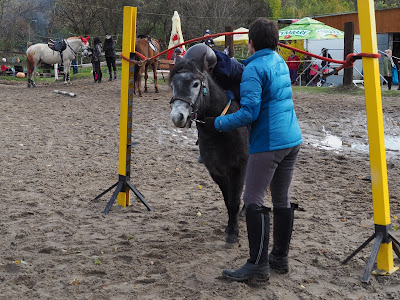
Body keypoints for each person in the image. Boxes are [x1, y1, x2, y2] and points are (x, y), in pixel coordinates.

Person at [203, 17, 302, 282]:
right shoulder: (278, 60)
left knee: (253, 200)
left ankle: (257, 265)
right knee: (280, 197)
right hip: (292, 138)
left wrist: (219, 122)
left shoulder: (253, 70)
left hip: (269, 142)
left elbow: (249, 112)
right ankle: (279, 258)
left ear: (251, 43)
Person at [183, 43, 244, 163]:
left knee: (240, 115)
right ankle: (204, 149)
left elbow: (248, 84)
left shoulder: (232, 68)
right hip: (215, 94)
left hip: (237, 93)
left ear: (210, 68)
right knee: (201, 112)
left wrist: (233, 92)